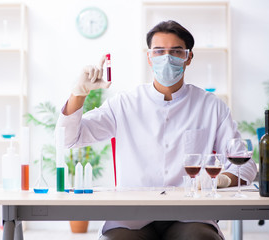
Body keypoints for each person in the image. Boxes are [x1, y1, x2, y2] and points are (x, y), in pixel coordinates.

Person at [56, 20, 257, 240]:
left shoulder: (212, 106)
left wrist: (221, 180)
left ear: (188, 58)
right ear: (150, 57)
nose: (167, 58)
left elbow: (246, 165)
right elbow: (69, 138)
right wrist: (79, 93)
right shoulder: (124, 103)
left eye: (176, 51)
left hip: (191, 215)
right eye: (159, 51)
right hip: (131, 217)